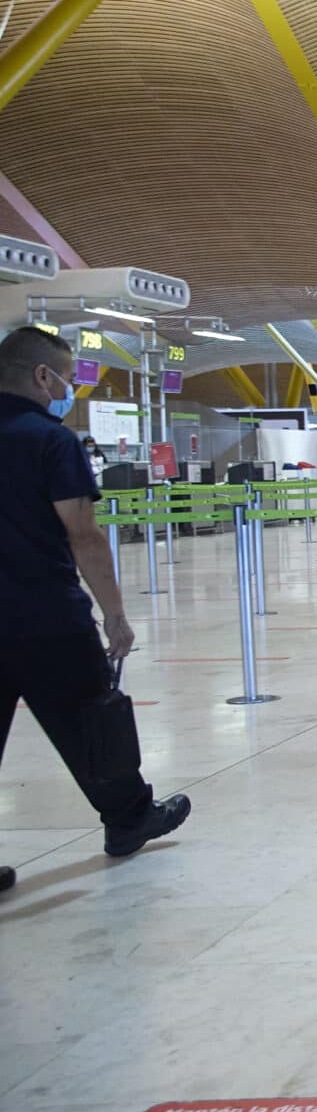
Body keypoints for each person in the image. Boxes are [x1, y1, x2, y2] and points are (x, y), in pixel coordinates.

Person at [0, 328, 190, 895]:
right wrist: (114, 614)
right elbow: (83, 534)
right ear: (42, 376)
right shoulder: (48, 440)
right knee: (92, 717)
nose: (71, 388)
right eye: (71, 377)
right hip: (45, 615)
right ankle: (130, 817)